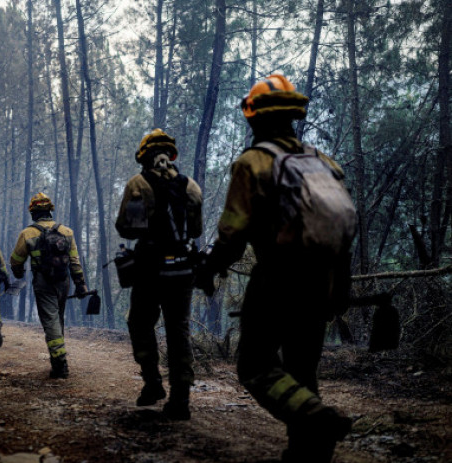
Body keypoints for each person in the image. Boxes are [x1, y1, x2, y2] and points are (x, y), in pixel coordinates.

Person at [203, 74, 354, 462]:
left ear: (254, 118)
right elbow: (345, 230)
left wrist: (210, 269)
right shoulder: (324, 162)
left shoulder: (253, 163)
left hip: (277, 280)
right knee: (302, 369)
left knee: (256, 367)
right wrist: (341, 287)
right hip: (323, 281)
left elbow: (233, 234)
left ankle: (314, 417)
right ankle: (309, 454)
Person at [115, 128, 203, 420]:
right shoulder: (191, 187)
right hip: (182, 270)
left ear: (145, 156)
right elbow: (196, 231)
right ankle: (181, 400)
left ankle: (152, 383)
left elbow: (128, 229)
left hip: (150, 271)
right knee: (179, 331)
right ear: (170, 155)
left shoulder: (138, 184)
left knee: (140, 324)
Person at [10, 193, 89, 379]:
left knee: (51, 321)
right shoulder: (67, 232)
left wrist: (19, 274)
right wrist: (81, 284)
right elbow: (75, 261)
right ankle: (57, 359)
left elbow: (15, 261)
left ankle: (61, 365)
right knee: (58, 318)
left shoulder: (27, 234)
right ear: (50, 211)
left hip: (43, 282)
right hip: (64, 281)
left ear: (33, 213)